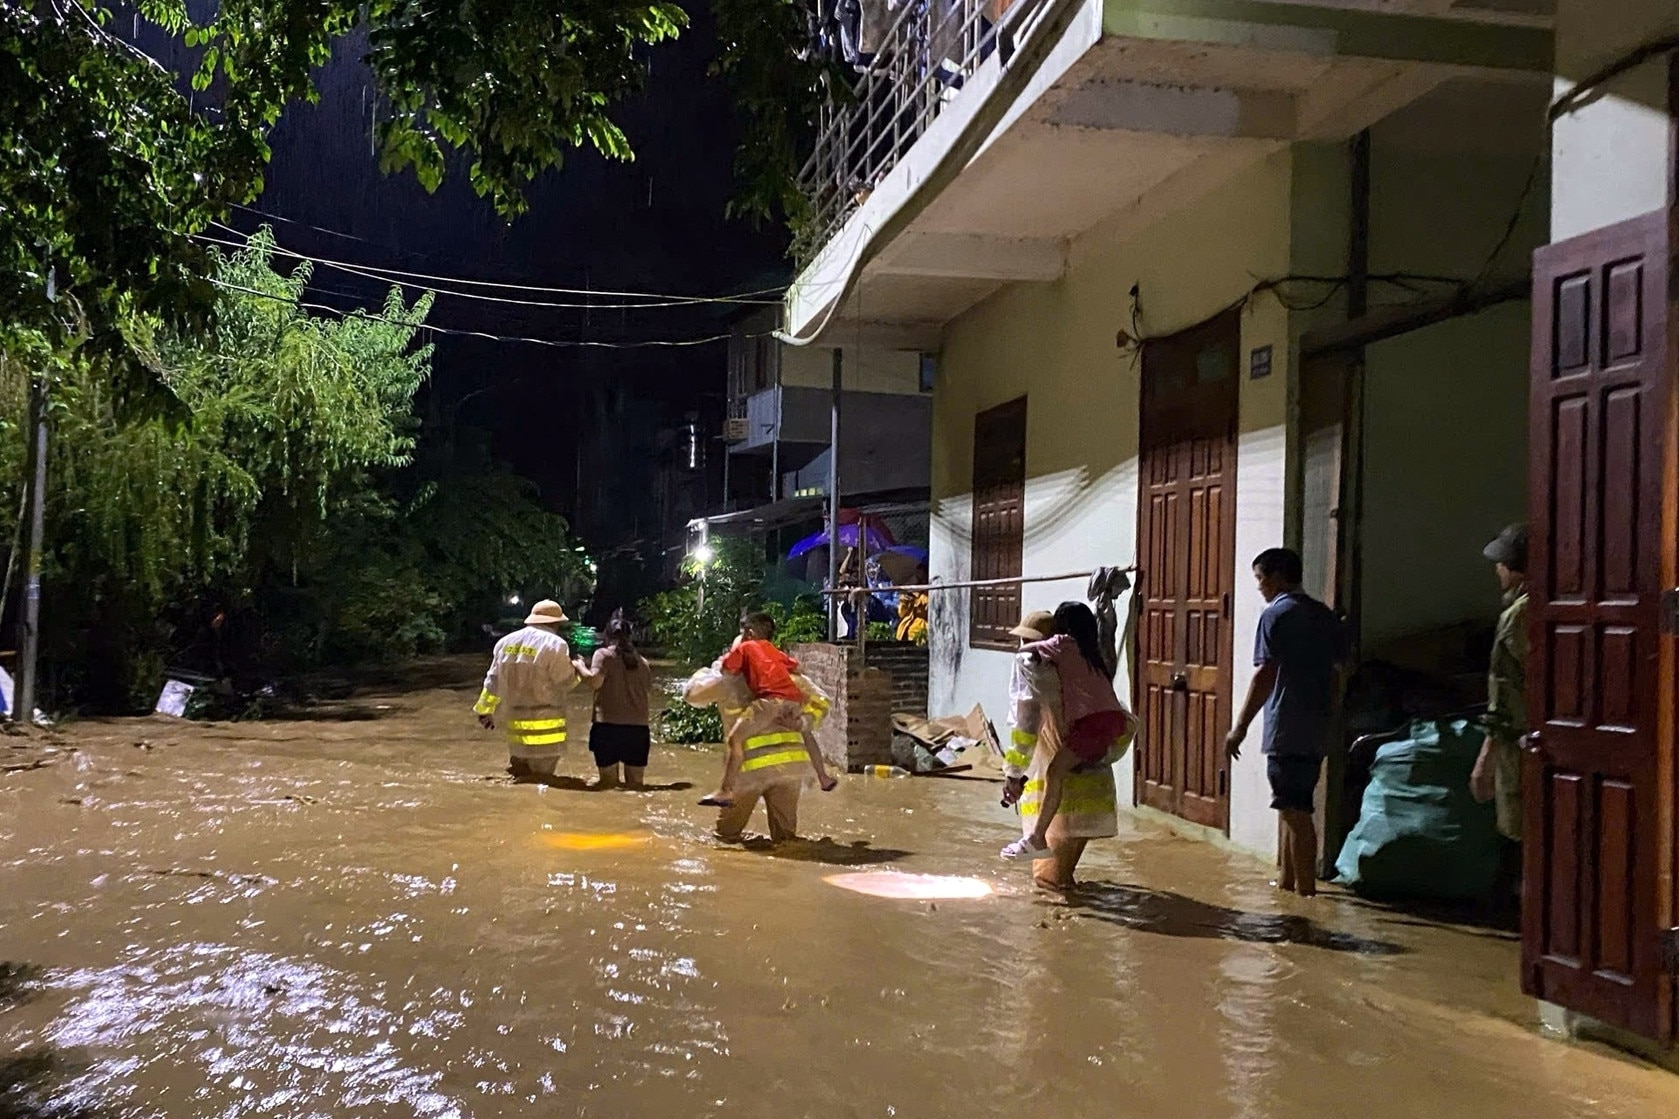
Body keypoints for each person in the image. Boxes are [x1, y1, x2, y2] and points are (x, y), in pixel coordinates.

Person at [1226, 549, 1345, 898]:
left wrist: (1240, 727)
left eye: (1261, 579)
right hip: (1316, 726)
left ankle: (1305, 896)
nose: (1260, 587)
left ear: (1278, 577)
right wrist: (1329, 713)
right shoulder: (1325, 616)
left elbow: (1265, 675)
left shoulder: (1275, 615)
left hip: (1286, 727)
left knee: (1295, 812)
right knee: (1292, 804)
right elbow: (1340, 673)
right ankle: (1287, 882)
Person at [1000, 609, 1121, 892]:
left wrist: (1012, 774)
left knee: (1049, 881)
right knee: (1061, 879)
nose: (1022, 649)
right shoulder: (1086, 667)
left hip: (1063, 799)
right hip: (1094, 784)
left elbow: (1024, 731)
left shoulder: (1038, 675)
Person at [701, 612, 839, 808]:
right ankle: (823, 777)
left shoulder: (745, 647)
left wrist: (732, 651)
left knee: (735, 739)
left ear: (749, 632)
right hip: (793, 699)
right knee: (806, 733)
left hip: (771, 700)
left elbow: (725, 670)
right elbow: (796, 666)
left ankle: (725, 790)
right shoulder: (773, 650)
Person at [474, 599, 578, 780]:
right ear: (555, 623)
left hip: (516, 730)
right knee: (542, 781)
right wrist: (578, 669)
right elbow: (566, 682)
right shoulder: (556, 644)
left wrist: (484, 710)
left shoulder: (504, 643)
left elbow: (493, 681)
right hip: (546, 733)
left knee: (520, 776)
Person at [1471, 524, 1528, 846]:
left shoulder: (1518, 618)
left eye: (1502, 564)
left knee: (1521, 834)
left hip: (1520, 746)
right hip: (1530, 743)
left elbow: (1507, 696)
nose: (1497, 571)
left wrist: (1485, 760)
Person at [573, 612, 653, 790]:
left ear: (607, 636)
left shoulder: (603, 655)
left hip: (608, 728)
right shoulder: (643, 662)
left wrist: (579, 666)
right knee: (636, 787)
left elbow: (595, 682)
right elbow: (646, 691)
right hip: (638, 731)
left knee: (608, 786)